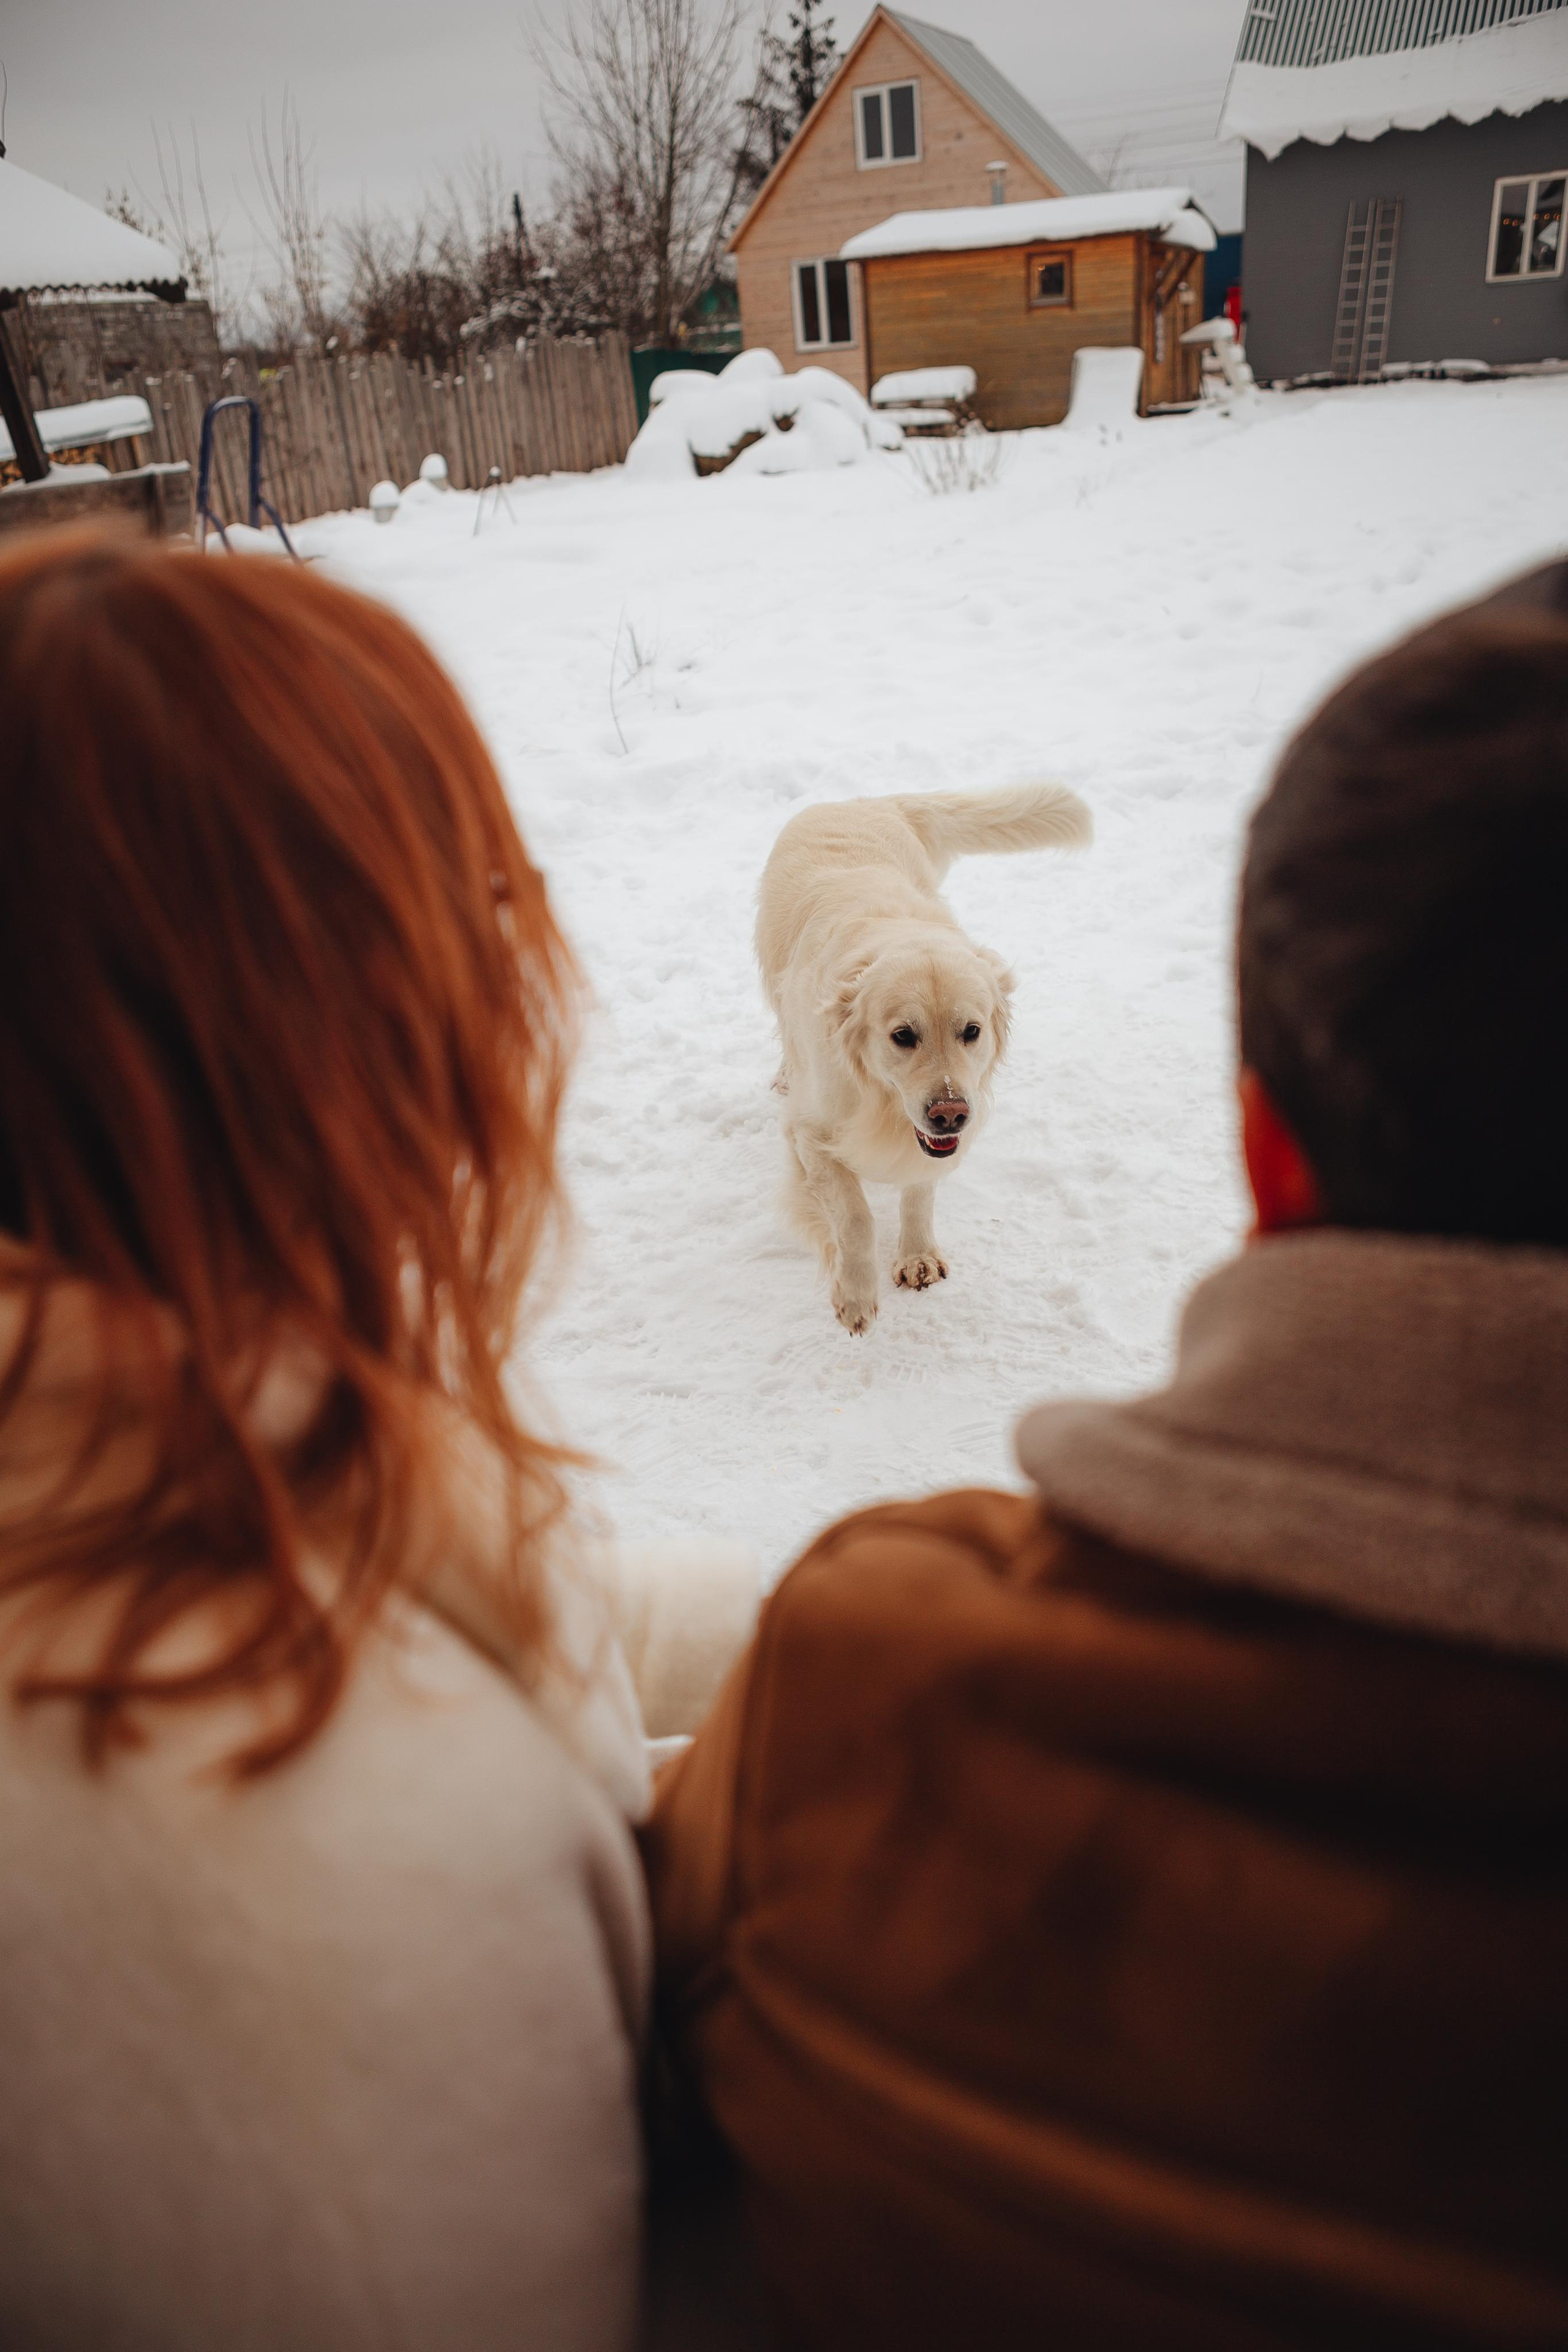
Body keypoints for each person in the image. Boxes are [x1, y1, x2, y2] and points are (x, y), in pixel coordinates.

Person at [643, 562, 1568, 2349]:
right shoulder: (835, 1014)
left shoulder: (866, 1669)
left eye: (970, 1045)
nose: (947, 1078)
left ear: (1263, 1132)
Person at [0, 530, 755, 2352]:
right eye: (468, 902)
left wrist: (833, 1630)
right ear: (304, 1022)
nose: (507, 960)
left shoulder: (140, 1407)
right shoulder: (258, 1860)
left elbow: (422, 1570)